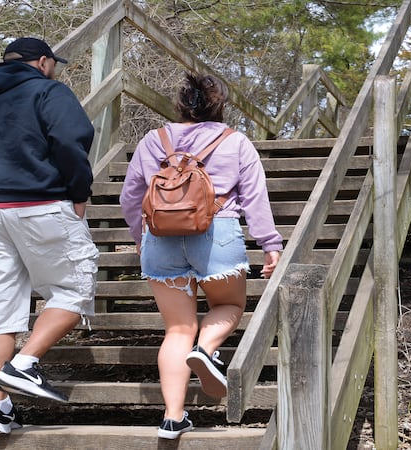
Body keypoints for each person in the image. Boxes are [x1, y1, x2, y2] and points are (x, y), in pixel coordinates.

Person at [120, 73, 282, 440]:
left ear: (180, 104)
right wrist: (270, 244)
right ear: (219, 105)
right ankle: (207, 350)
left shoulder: (152, 140)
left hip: (160, 238)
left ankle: (172, 418)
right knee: (229, 307)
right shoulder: (235, 142)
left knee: (177, 329)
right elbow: (256, 199)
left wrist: (139, 236)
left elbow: (130, 197)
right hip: (217, 233)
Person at [0, 37, 99, 436]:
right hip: (40, 203)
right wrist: (79, 192)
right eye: (54, 63)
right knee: (75, 287)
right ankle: (24, 364)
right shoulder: (48, 89)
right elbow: (71, 141)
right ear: (42, 62)